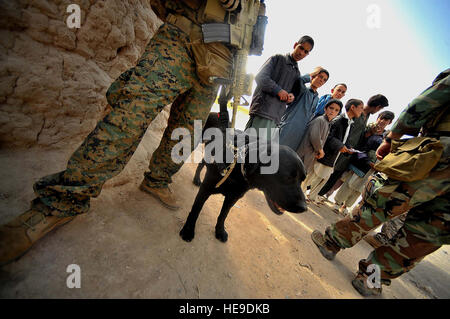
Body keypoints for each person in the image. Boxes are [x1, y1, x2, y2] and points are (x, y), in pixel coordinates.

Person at [0, 0, 263, 266]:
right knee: (130, 116)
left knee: (186, 134)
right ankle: (59, 202)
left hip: (217, 70)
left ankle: (157, 180)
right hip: (181, 41)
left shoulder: (259, 5)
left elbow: (251, 45)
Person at [311, 69, 450, 296]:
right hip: (438, 155)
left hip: (436, 157)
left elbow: (426, 102)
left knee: (382, 202)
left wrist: (392, 138)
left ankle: (331, 243)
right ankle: (371, 278)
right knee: (427, 234)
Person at [317, 94, 389, 199]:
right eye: (380, 108)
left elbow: (359, 134)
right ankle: (314, 192)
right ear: (378, 107)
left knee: (335, 174)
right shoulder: (356, 112)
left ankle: (319, 194)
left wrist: (369, 133)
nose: (378, 111)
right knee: (328, 172)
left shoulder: (366, 116)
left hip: (349, 151)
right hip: (341, 148)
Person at [245, 35, 314, 140]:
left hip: (276, 118)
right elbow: (261, 77)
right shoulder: (277, 58)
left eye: (305, 52)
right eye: (301, 48)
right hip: (263, 111)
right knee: (248, 148)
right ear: (295, 45)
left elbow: (291, 96)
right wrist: (278, 91)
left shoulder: (296, 72)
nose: (301, 53)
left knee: (258, 152)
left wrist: (290, 97)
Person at [333, 111, 395, 215]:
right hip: (362, 165)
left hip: (373, 170)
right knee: (350, 184)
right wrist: (368, 162)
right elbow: (362, 150)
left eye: (386, 120)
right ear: (378, 118)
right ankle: (337, 202)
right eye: (382, 118)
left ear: (390, 122)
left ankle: (345, 206)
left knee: (360, 190)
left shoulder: (386, 138)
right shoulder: (372, 132)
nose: (383, 121)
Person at [302, 99, 364, 203]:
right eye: (361, 108)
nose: (362, 111)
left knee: (324, 177)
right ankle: (301, 192)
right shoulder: (339, 120)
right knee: (313, 174)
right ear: (352, 107)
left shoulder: (350, 123)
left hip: (334, 156)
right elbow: (329, 136)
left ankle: (312, 196)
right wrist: (340, 145)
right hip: (325, 154)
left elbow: (345, 139)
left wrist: (348, 148)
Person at [277, 67, 330, 151]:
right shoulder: (303, 90)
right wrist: (310, 75)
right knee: (273, 153)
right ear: (314, 76)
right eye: (320, 77)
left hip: (299, 134)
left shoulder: (317, 98)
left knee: (285, 158)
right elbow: (300, 80)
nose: (321, 80)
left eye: (324, 80)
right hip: (287, 127)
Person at [297, 99, 342, 176]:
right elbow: (315, 137)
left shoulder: (328, 123)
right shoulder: (320, 120)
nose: (333, 111)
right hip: (303, 153)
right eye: (331, 108)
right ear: (325, 108)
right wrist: (321, 151)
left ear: (338, 114)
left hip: (310, 155)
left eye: (336, 110)